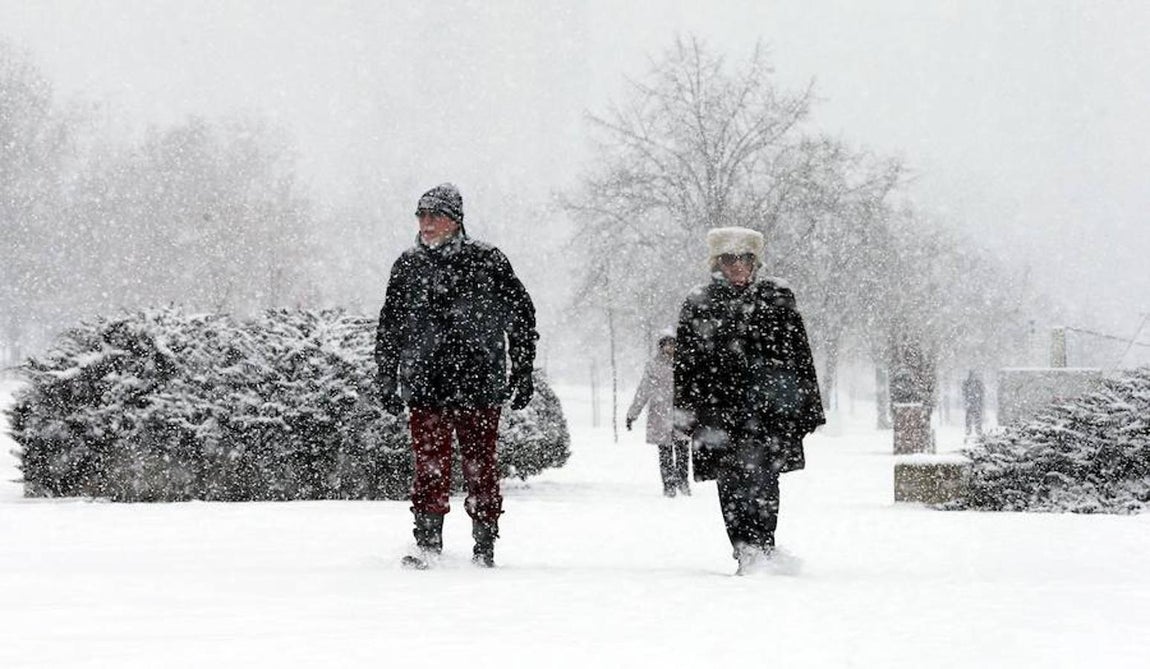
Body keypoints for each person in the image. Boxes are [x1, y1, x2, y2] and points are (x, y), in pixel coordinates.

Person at [375, 183, 538, 569]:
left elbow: (521, 316)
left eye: (436, 215)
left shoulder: (487, 261)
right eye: (422, 215)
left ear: (456, 220)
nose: (427, 223)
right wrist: (386, 374)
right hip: (425, 381)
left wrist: (524, 367)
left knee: (481, 464)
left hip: (478, 381)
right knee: (429, 465)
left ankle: (485, 544)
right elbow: (390, 326)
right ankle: (428, 542)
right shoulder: (408, 266)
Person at [673, 226, 824, 575]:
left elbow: (800, 355)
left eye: (744, 259)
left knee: (765, 479)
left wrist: (808, 407)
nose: (737, 266)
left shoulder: (779, 297)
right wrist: (685, 411)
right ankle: (744, 550)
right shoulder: (700, 302)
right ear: (718, 263)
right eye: (729, 259)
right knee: (730, 482)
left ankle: (764, 547)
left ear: (755, 261)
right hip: (718, 411)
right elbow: (686, 365)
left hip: (769, 412)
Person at [626, 331, 690, 497]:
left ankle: (683, 481)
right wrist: (633, 413)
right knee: (665, 452)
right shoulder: (654, 366)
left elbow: (695, 390)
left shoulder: (684, 364)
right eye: (667, 344)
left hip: (681, 413)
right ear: (661, 347)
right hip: (660, 414)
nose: (670, 348)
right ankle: (668, 485)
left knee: (682, 450)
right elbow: (643, 391)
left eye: (673, 344)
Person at [962, 370, 985, 439]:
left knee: (975, 417)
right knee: (972, 417)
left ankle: (976, 430)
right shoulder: (969, 383)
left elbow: (982, 392)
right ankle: (972, 430)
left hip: (973, 403)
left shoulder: (970, 383)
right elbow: (982, 392)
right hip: (973, 403)